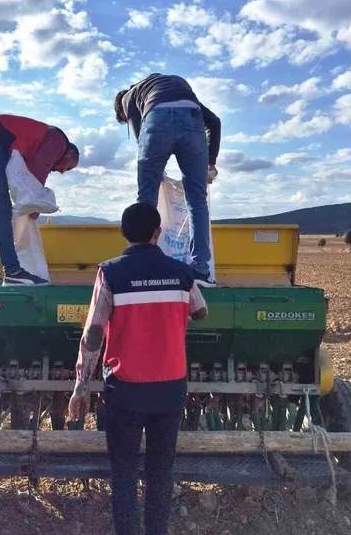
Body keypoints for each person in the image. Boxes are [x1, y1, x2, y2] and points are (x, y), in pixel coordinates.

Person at [68, 202, 208, 535]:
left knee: (124, 473)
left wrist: (81, 387)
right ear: (157, 233)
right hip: (170, 389)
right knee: (160, 473)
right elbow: (201, 312)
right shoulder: (182, 273)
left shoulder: (111, 273)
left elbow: (93, 334)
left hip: (125, 391)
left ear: (122, 232)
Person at [114, 73, 221, 288]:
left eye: (124, 119)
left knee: (146, 201)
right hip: (192, 120)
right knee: (197, 201)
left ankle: (142, 266)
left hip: (156, 121)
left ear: (121, 110)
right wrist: (210, 163)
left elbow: (141, 138)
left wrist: (157, 171)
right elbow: (215, 122)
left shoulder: (128, 97)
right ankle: (201, 271)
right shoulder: (174, 89)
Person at [0, 114, 79, 286]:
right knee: (1, 208)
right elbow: (38, 171)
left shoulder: (35, 143)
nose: (62, 171)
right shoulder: (59, 142)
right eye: (68, 167)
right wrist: (34, 206)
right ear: (70, 154)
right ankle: (13, 272)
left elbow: (21, 179)